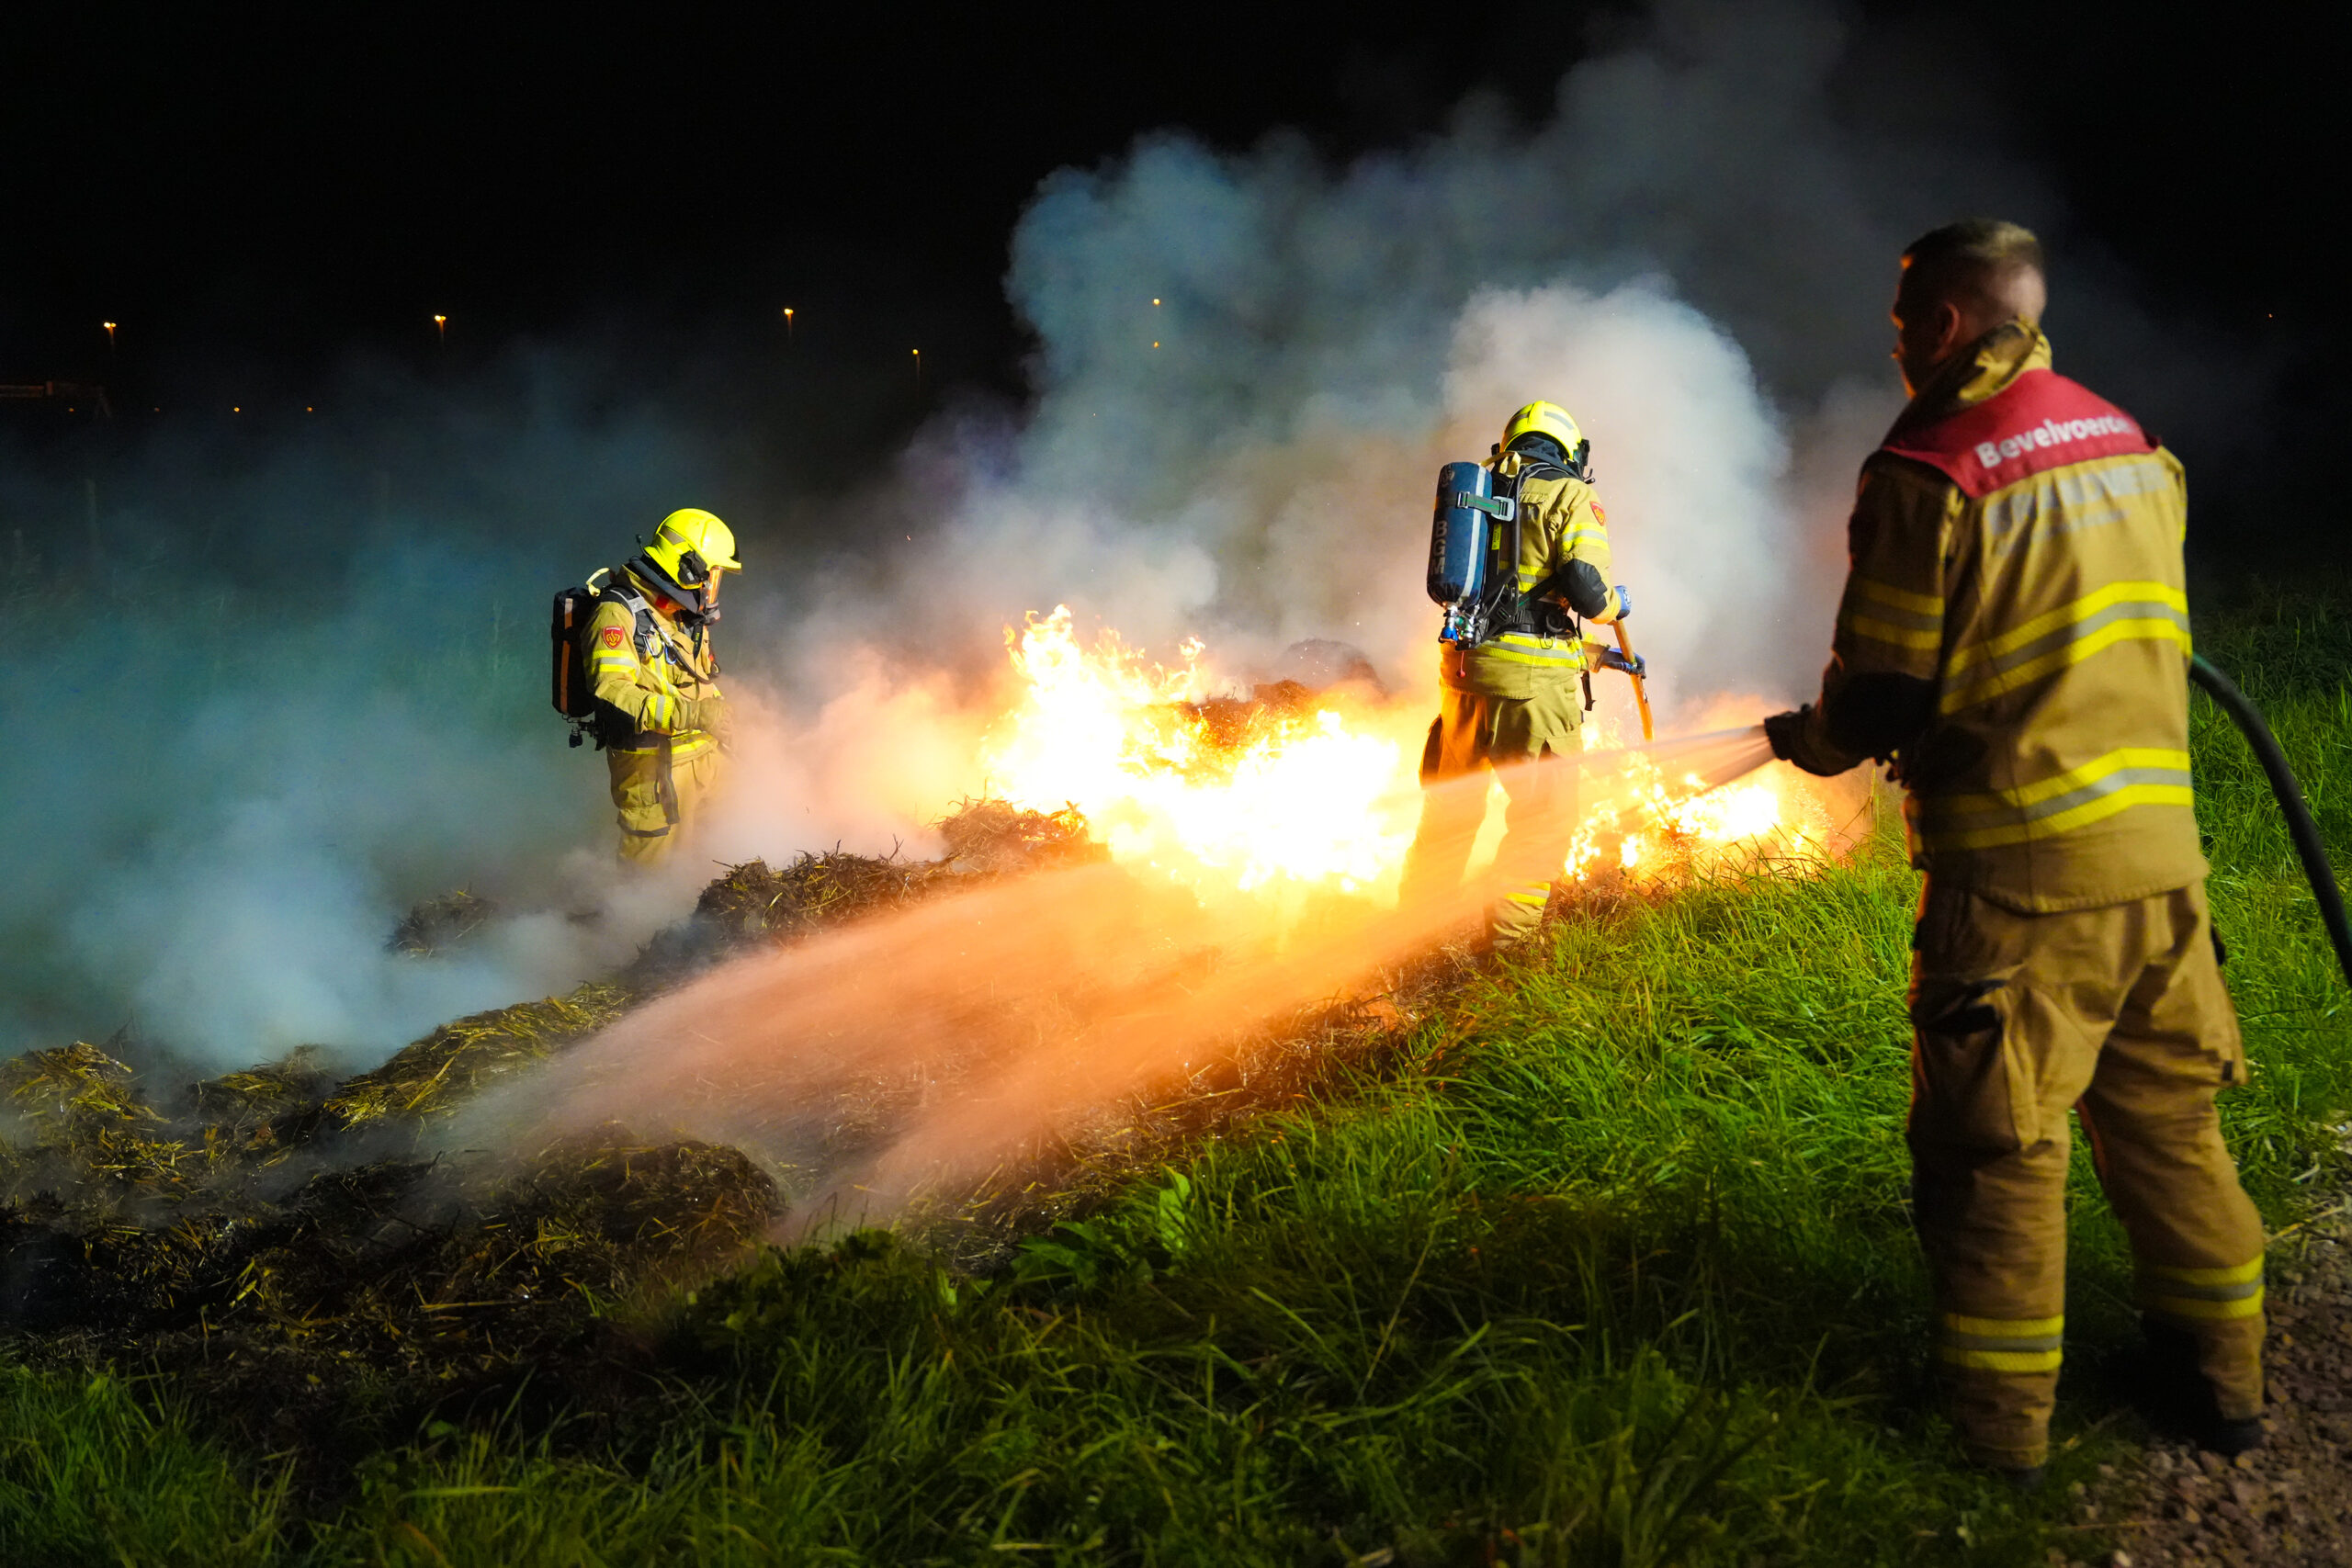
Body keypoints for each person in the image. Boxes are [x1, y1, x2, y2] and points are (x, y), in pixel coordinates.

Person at [1763, 220, 2265, 1483]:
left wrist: (1817, 742)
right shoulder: (2132, 442)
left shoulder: (1931, 465)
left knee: (1996, 1156)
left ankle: (2001, 1445)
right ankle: (2226, 1386)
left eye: (1897, 332)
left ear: (1941, 326)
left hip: (2021, 886)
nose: (1892, 355)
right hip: (2163, 872)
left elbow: (1880, 689)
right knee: (2173, 1130)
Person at [1399, 400, 1634, 946]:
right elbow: (1586, 592)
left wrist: (1595, 656)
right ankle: (1507, 957)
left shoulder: (1481, 491)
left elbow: (1507, 609)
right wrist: (1616, 605)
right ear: (1571, 451)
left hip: (1462, 674)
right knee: (1541, 823)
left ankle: (1408, 938)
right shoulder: (1571, 494)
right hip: (1529, 690)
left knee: (1450, 813)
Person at [585, 507, 739, 866]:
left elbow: (698, 682)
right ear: (688, 567)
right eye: (712, 575)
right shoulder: (616, 614)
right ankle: (626, 925)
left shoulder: (676, 614)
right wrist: (695, 714)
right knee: (646, 883)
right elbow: (613, 691)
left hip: (706, 763)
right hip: (653, 775)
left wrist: (724, 716)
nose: (712, 587)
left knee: (719, 862)